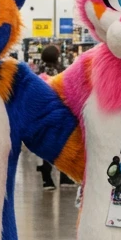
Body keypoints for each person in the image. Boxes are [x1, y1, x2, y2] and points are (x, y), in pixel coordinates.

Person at [36, 45, 75, 189]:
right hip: (61, 113)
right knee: (63, 145)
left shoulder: (38, 73)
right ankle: (64, 178)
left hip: (44, 114)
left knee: (46, 145)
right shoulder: (63, 71)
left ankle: (47, 179)